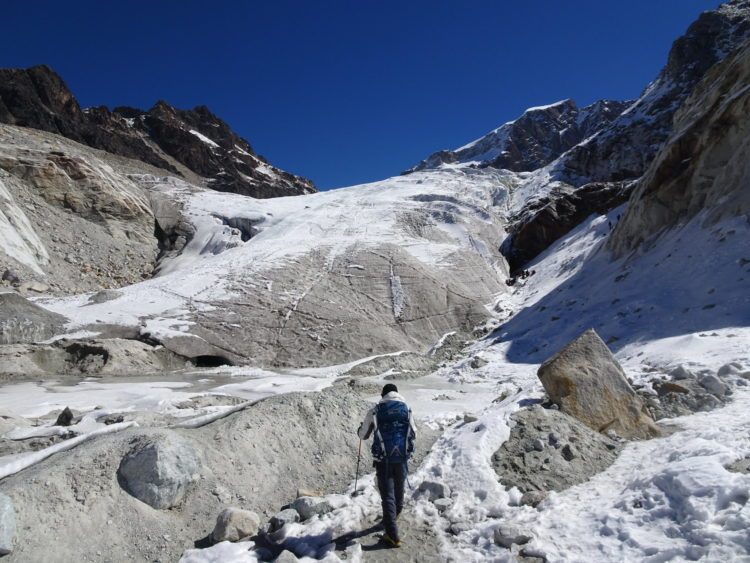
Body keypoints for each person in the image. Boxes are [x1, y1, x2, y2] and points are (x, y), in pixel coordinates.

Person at [357, 383, 416, 548]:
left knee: (387, 495)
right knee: (399, 490)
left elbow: (363, 435)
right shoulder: (407, 408)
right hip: (402, 458)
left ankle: (392, 536)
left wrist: (359, 430)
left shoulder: (376, 410)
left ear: (383, 395)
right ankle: (393, 518)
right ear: (397, 393)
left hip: (384, 460)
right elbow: (413, 431)